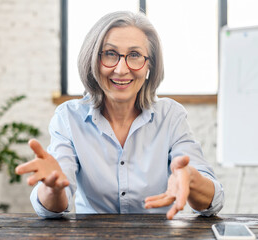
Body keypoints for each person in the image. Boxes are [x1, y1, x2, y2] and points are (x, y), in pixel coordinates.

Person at [15, 11, 224, 220]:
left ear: (149, 65)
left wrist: (192, 180)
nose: (121, 69)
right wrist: (53, 188)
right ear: (93, 60)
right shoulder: (68, 118)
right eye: (110, 54)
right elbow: (56, 204)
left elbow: (212, 203)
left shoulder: (170, 116)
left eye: (134, 55)